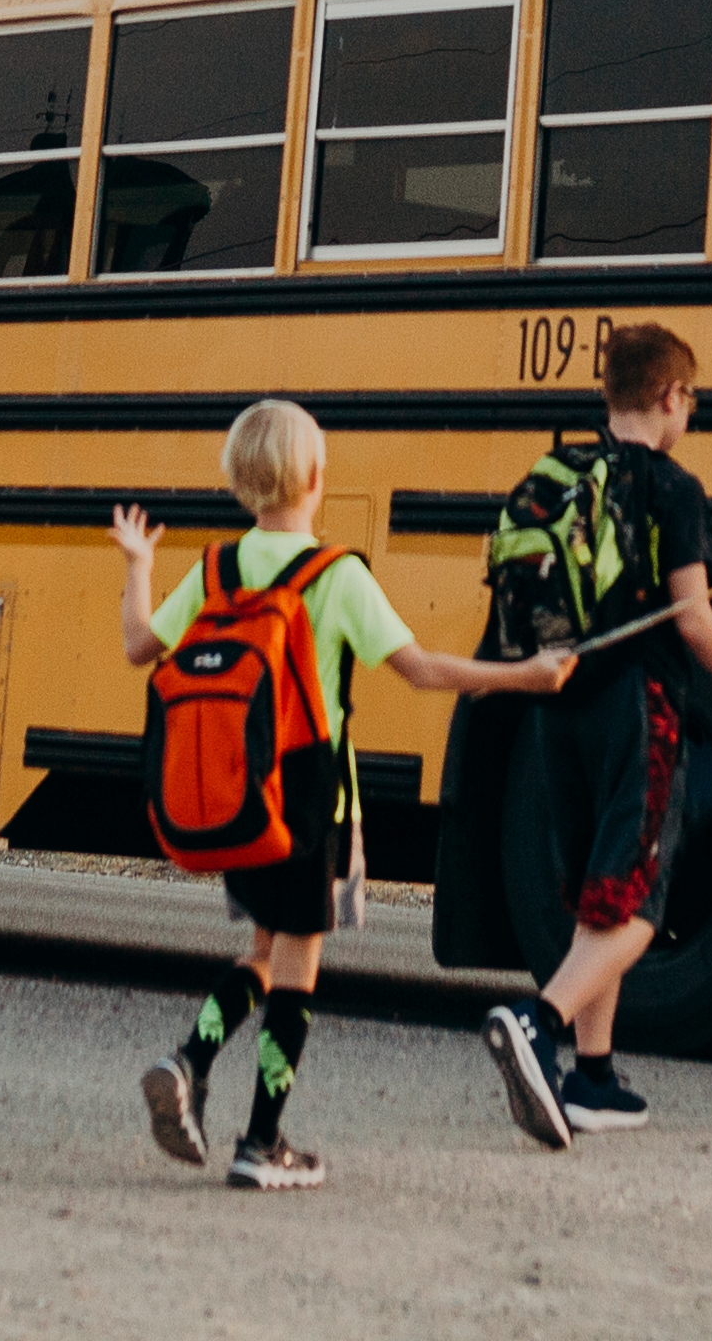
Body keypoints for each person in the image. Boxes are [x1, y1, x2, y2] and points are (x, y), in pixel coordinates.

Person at [115, 399, 562, 1190]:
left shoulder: (218, 568)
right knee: (296, 969)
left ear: (239, 481)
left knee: (260, 952)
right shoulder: (336, 574)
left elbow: (139, 646)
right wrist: (522, 676)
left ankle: (189, 1062)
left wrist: (139, 564)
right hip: (313, 799)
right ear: (318, 476)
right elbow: (420, 669)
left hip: (237, 792)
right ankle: (262, 1142)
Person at [479, 320, 712, 1148]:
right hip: (637, 707)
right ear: (670, 397)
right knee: (641, 903)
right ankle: (537, 1021)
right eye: (692, 401)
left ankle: (594, 1078)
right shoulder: (671, 488)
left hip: (560, 704)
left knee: (594, 895)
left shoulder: (559, 472)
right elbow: (692, 617)